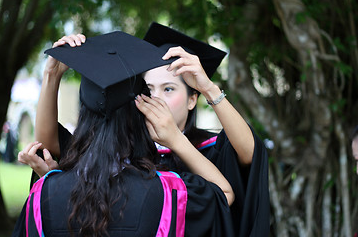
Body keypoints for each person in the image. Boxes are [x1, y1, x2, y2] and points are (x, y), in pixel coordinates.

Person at [28, 22, 270, 236]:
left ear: (192, 99)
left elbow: (250, 153)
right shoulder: (121, 145)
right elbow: (49, 146)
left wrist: (209, 89)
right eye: (148, 89)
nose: (156, 99)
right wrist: (51, 75)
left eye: (168, 89)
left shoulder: (209, 149)